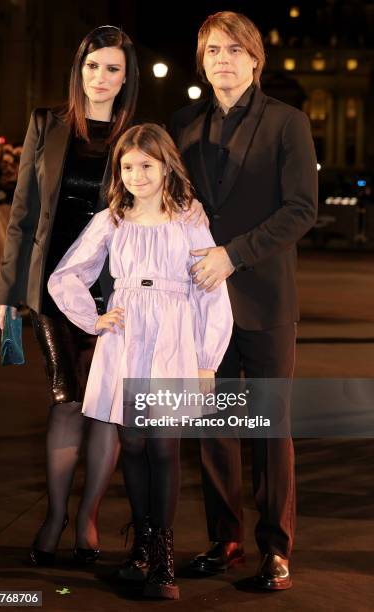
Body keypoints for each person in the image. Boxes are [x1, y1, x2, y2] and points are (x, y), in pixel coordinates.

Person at [0, 25, 206, 567]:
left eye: (113, 69)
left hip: (120, 292)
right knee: (66, 400)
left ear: (126, 78)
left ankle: (89, 516)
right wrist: (6, 290)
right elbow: (22, 213)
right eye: (93, 67)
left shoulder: (136, 135)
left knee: (110, 409)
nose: (101, 78)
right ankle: (55, 514)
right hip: (53, 286)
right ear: (78, 70)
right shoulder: (47, 123)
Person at [47, 123, 233, 599]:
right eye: (127, 166)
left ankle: (164, 560)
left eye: (146, 165)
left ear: (166, 165)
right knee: (131, 446)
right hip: (126, 338)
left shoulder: (189, 216)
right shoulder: (112, 218)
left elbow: (212, 291)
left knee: (163, 447)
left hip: (173, 338)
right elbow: (67, 273)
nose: (136, 175)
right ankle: (142, 550)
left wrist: (208, 360)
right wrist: (94, 319)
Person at [170, 11, 318, 590]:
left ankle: (276, 549)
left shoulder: (288, 123)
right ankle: (223, 539)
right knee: (214, 427)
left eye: (234, 50)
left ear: (256, 59)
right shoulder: (182, 124)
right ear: (202, 62)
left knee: (269, 428)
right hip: (201, 304)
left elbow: (301, 209)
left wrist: (234, 254)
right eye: (212, 51)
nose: (223, 60)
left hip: (265, 300)